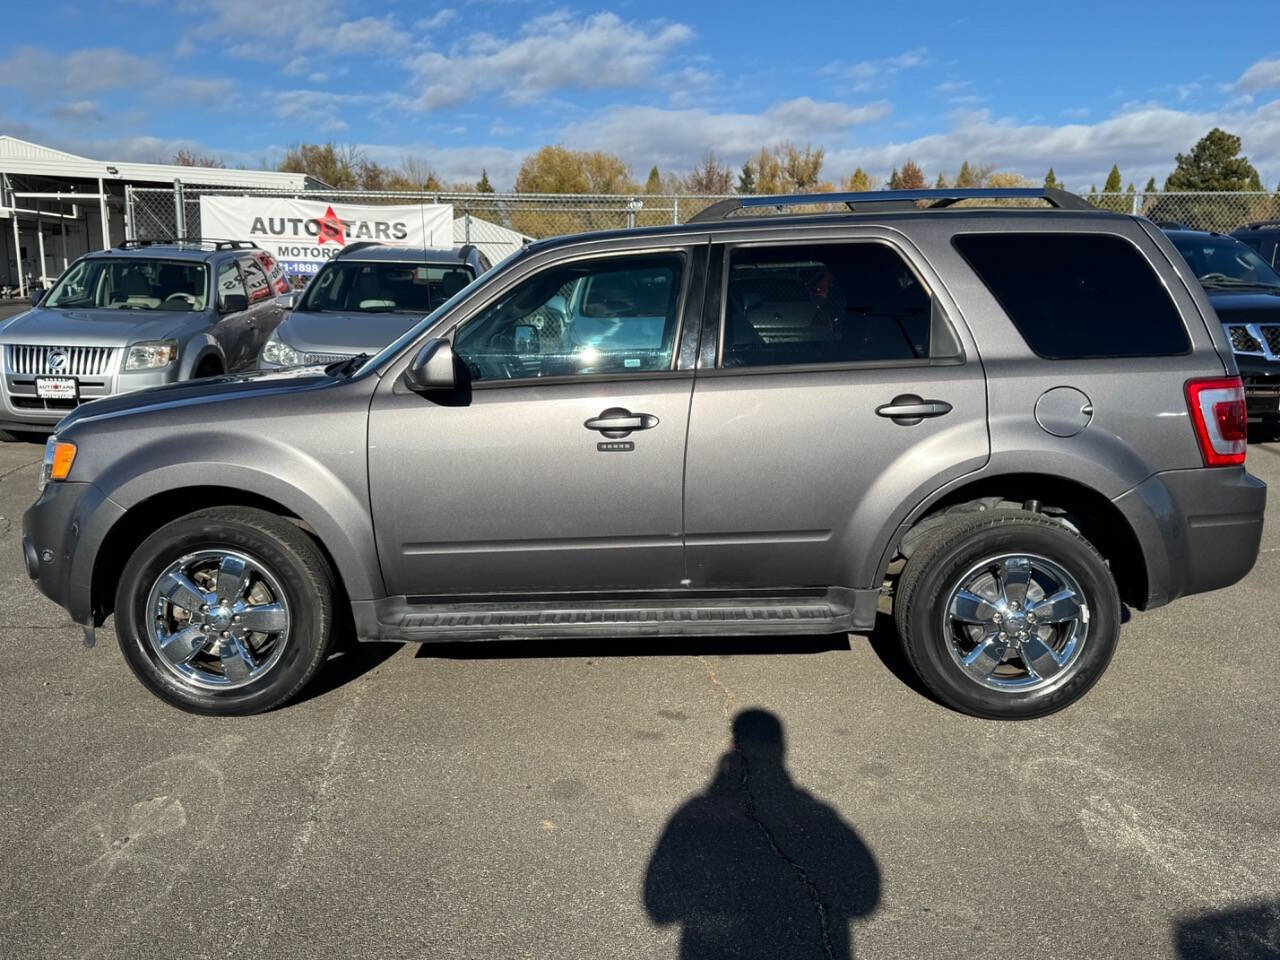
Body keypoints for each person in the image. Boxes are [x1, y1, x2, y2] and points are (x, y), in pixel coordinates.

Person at [644, 709, 880, 959]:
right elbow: (865, 900)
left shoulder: (695, 811)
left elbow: (658, 909)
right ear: (779, 749)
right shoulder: (816, 813)